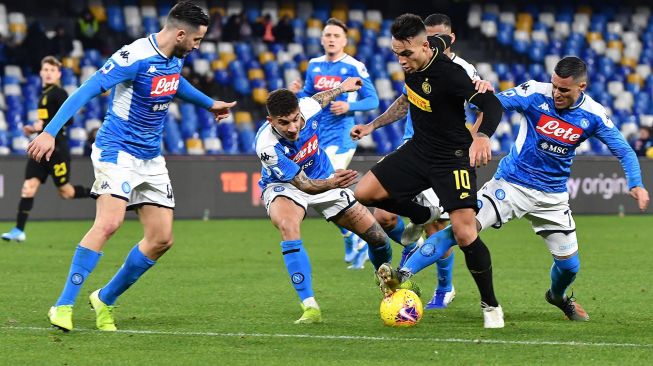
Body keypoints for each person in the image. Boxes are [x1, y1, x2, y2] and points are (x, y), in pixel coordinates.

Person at [27, 1, 236, 332]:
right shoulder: (134, 56)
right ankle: (63, 305)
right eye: (196, 40)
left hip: (151, 157)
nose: (198, 46)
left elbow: (175, 83)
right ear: (181, 34)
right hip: (117, 150)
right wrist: (49, 132)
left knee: (161, 239)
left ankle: (105, 298)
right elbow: (87, 90)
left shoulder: (175, 58)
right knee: (109, 223)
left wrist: (209, 103)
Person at [394, 56, 650, 322]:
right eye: (554, 86)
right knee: (462, 228)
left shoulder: (594, 115)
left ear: (581, 86)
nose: (556, 93)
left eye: (564, 90)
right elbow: (493, 104)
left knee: (570, 267)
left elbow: (625, 151)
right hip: (511, 184)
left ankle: (558, 297)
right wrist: (480, 103)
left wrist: (636, 184)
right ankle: (400, 275)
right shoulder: (534, 93)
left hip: (552, 197)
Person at [350, 14, 505, 328]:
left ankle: (491, 305)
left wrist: (482, 136)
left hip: (452, 158)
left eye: (406, 54)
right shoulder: (422, 51)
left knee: (464, 233)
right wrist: (373, 125)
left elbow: (492, 105)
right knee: (363, 193)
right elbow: (438, 48)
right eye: (396, 54)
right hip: (418, 150)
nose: (401, 60)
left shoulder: (451, 75)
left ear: (424, 47)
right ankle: (422, 214)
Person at [256, 79, 399, 323]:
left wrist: (342, 88)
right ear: (271, 121)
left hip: (322, 176)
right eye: (283, 123)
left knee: (378, 239)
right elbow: (303, 185)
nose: (292, 128)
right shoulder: (267, 146)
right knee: (289, 227)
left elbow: (321, 98)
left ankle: (384, 279)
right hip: (287, 187)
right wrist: (334, 182)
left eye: (295, 119)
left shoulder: (308, 107)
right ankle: (310, 306)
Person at [289, 18, 379, 269]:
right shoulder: (314, 65)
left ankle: (360, 238)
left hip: (341, 139)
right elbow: (309, 97)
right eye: (327, 35)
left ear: (344, 40)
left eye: (336, 36)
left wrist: (350, 105)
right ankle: (352, 235)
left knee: (325, 188)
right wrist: (298, 94)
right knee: (320, 191)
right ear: (321, 39)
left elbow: (373, 100)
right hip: (316, 137)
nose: (331, 39)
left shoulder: (354, 66)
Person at [2, 56, 92, 243]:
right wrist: (36, 127)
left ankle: (101, 193)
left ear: (59, 74)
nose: (49, 73)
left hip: (57, 149)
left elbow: (70, 120)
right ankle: (19, 230)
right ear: (41, 72)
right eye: (46, 70)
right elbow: (45, 122)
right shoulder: (44, 94)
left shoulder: (58, 93)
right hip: (41, 149)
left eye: (53, 70)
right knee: (28, 187)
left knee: (65, 192)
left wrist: (42, 125)